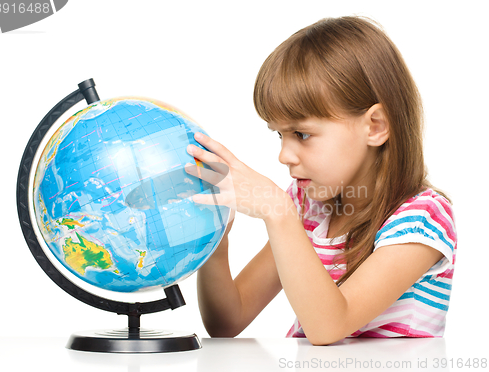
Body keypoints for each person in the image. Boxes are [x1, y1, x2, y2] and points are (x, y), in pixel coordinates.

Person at [184, 16, 456, 345]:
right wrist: (216, 241)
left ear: (375, 126)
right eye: (280, 135)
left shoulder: (422, 220)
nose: (285, 155)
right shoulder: (307, 205)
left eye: (302, 133)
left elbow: (329, 326)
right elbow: (228, 321)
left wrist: (278, 211)